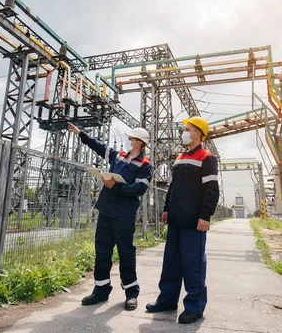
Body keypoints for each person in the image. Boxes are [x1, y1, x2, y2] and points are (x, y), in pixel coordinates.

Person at [66, 122, 154, 311]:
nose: (128, 141)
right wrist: (81, 133)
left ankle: (131, 293)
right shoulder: (119, 156)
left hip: (124, 215)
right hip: (106, 210)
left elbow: (140, 188)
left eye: (131, 139)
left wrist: (117, 186)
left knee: (126, 253)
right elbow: (99, 147)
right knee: (102, 251)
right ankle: (101, 290)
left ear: (139, 143)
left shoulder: (145, 166)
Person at [146, 116, 219, 324]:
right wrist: (167, 208)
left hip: (194, 221)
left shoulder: (206, 157)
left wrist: (206, 215)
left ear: (198, 134)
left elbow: (212, 190)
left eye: (187, 129)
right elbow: (174, 187)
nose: (183, 133)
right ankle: (167, 300)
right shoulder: (179, 158)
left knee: (193, 264)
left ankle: (195, 307)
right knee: (171, 263)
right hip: (176, 220)